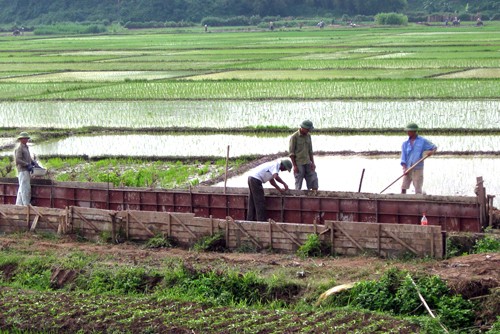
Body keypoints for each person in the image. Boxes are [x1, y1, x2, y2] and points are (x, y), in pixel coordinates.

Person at [400, 123, 437, 194]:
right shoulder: (405, 144)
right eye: (407, 131)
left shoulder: (422, 141)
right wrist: (404, 168)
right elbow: (403, 158)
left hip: (418, 168)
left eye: (409, 131)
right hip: (408, 168)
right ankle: (402, 201)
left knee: (418, 187)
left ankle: (418, 202)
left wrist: (431, 152)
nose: (407, 132)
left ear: (414, 131)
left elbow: (434, 147)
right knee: (403, 187)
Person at [289, 120, 318, 191]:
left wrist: (313, 163)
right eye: (308, 129)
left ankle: (314, 195)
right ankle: (297, 196)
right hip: (299, 163)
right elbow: (291, 153)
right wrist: (294, 166)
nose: (309, 131)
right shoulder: (294, 137)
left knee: (313, 178)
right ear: (303, 128)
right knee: (299, 181)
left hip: (308, 162)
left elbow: (310, 151)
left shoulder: (308, 136)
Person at [14, 132, 35, 205]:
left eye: (27, 138)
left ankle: (18, 205)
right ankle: (26, 205)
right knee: (25, 188)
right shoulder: (19, 148)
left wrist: (33, 162)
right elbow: (18, 160)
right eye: (25, 138)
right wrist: (27, 165)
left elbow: (27, 158)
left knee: (22, 188)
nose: (26, 140)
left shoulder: (26, 147)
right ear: (21, 139)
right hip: (23, 171)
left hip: (26, 170)